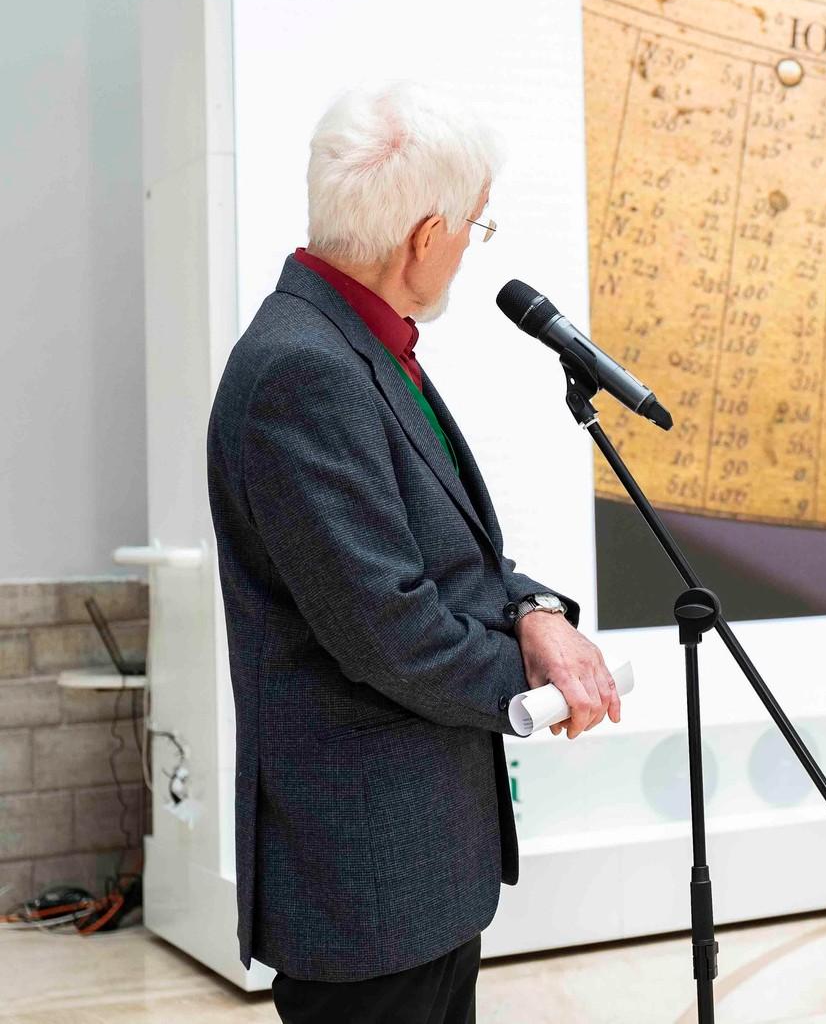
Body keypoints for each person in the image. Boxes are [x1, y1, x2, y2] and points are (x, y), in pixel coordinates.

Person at [206, 82, 620, 1022]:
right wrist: (537, 686)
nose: (472, 245)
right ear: (427, 235)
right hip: (366, 878)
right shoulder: (304, 369)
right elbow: (388, 629)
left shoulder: (356, 344)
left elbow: (449, 559)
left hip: (416, 867)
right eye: (475, 225)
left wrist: (537, 614)